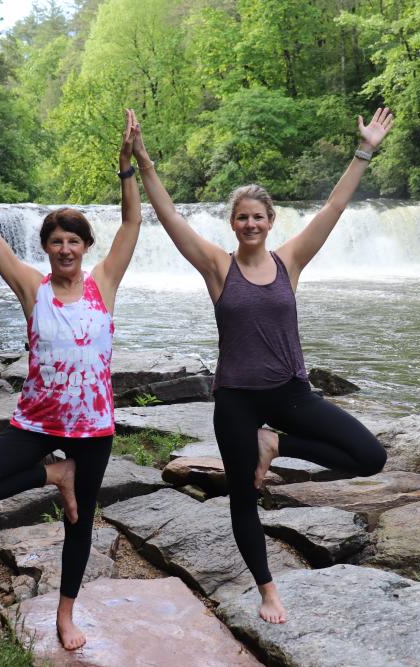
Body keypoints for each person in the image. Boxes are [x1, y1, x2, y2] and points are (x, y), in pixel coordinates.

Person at [131, 108, 394, 624]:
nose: (250, 223)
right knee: (243, 495)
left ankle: (275, 443)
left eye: (258, 216)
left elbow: (334, 208)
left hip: (291, 393)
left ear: (271, 222)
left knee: (370, 456)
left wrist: (365, 151)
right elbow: (169, 218)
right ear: (233, 223)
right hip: (236, 399)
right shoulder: (217, 266)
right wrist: (143, 162)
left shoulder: (289, 261)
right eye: (242, 217)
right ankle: (267, 589)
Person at [0, 110, 144, 650]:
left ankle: (66, 615)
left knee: (81, 526)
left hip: (93, 429)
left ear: (85, 247)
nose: (66, 249)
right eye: (57, 242)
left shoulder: (104, 284)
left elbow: (133, 224)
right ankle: (56, 476)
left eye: (74, 241)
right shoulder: (32, 288)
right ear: (45, 249)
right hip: (37, 424)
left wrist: (127, 168)